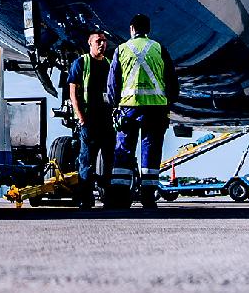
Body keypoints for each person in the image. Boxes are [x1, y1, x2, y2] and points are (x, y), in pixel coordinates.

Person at [107, 13, 177, 208]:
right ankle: (148, 196)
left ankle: (121, 197)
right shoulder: (159, 48)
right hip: (156, 109)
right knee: (151, 151)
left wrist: (114, 105)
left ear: (131, 29)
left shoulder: (121, 49)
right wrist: (168, 103)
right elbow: (171, 79)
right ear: (148, 30)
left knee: (123, 150)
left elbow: (112, 82)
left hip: (128, 107)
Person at [63, 29, 113, 209]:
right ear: (90, 43)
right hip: (89, 120)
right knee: (87, 161)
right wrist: (81, 118)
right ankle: (85, 199)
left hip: (107, 120)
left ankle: (108, 198)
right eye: (98, 41)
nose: (102, 44)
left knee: (109, 160)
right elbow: (73, 93)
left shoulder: (109, 63)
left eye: (104, 41)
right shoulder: (81, 63)